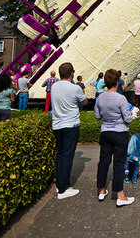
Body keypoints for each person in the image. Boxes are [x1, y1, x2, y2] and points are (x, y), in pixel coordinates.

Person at [95, 69, 134, 207]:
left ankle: (101, 190)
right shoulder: (121, 98)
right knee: (119, 163)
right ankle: (120, 195)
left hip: (105, 132)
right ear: (117, 82)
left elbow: (97, 116)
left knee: (103, 161)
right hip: (120, 132)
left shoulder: (100, 97)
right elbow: (128, 119)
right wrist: (129, 113)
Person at [52, 62, 87, 199]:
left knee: (60, 154)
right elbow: (84, 102)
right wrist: (76, 103)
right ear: (72, 73)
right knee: (67, 156)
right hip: (70, 124)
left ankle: (59, 182)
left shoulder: (54, 86)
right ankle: (63, 188)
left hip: (57, 124)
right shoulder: (75, 88)